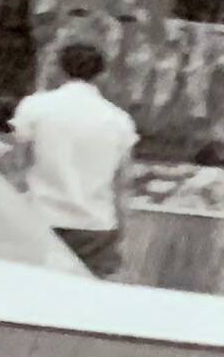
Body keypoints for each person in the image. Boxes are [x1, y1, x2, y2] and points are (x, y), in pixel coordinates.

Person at [8, 42, 138, 279]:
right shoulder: (119, 121)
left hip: (41, 218)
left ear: (58, 69)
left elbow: (17, 166)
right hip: (95, 227)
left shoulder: (34, 108)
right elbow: (122, 184)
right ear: (102, 75)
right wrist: (122, 233)